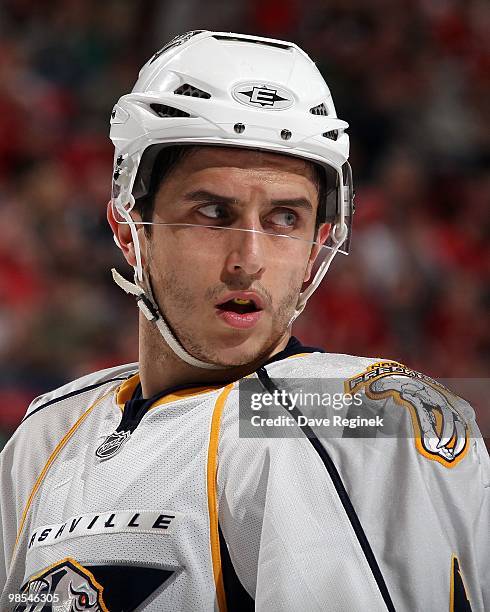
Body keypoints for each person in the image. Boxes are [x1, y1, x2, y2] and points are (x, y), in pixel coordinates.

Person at [0, 30, 488, 612]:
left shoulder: (346, 416)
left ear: (317, 247)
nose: (249, 260)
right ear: (129, 230)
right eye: (213, 212)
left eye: (284, 218)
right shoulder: (48, 435)